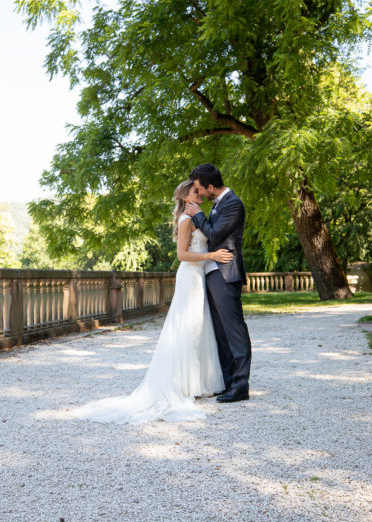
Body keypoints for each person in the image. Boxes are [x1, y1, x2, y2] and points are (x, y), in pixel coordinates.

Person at [70, 179, 232, 423]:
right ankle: (183, 384)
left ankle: (198, 382)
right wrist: (212, 255)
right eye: (195, 191)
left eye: (200, 190)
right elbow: (182, 255)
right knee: (188, 326)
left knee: (199, 326)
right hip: (190, 276)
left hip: (199, 276)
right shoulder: (186, 219)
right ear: (185, 197)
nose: (200, 194)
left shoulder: (196, 216)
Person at [184, 163, 251, 402]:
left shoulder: (233, 204)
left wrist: (197, 214)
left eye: (201, 189)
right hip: (212, 273)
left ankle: (241, 386)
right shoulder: (217, 205)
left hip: (226, 273)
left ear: (211, 187)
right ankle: (228, 382)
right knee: (221, 333)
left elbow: (214, 234)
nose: (200, 193)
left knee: (234, 330)